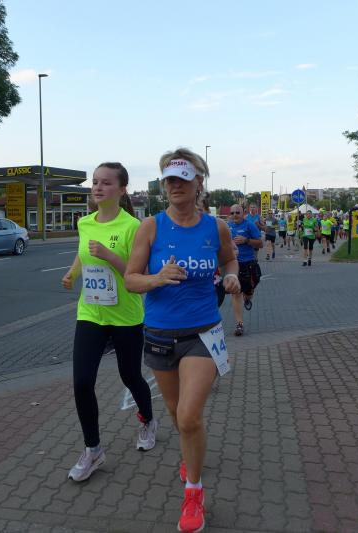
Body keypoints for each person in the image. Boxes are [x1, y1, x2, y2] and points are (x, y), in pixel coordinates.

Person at [125, 148, 240, 533]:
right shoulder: (151, 227)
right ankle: (190, 454)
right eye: (169, 180)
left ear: (198, 183)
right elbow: (130, 279)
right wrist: (157, 278)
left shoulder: (215, 228)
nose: (175, 186)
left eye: (182, 179)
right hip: (159, 334)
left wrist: (230, 275)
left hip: (203, 332)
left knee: (189, 416)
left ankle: (194, 491)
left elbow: (229, 259)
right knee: (177, 414)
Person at [61, 162, 156, 482]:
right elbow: (83, 252)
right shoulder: (85, 222)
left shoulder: (133, 227)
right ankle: (93, 450)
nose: (98, 187)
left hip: (126, 315)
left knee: (130, 375)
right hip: (91, 313)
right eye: (95, 182)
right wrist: (72, 273)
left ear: (122, 189)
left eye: (106, 182)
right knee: (81, 381)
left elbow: (139, 273)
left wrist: (109, 255)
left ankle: (148, 420)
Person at [227, 204, 262, 336]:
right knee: (236, 293)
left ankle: (247, 298)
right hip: (233, 264)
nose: (235, 215)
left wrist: (246, 240)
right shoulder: (227, 227)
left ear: (243, 213)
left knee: (248, 291)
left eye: (237, 212)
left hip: (249, 264)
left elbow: (260, 243)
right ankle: (239, 324)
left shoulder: (249, 225)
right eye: (232, 213)